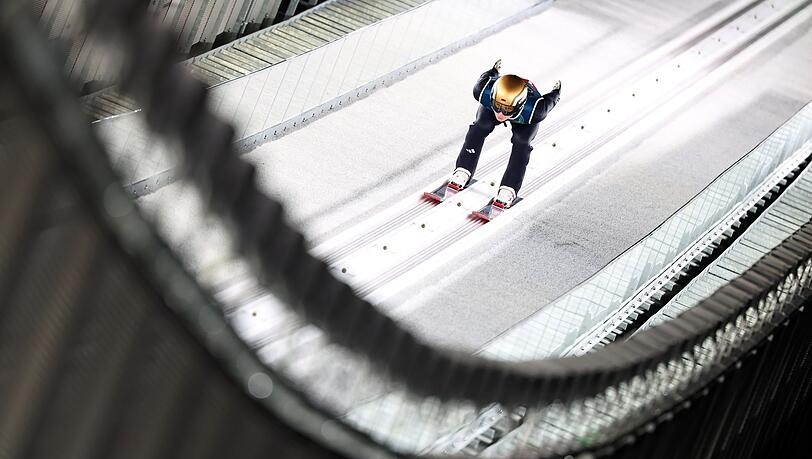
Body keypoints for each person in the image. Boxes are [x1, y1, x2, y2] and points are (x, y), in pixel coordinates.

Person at [448, 59, 561, 208]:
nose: (500, 114)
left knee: (522, 142)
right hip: (495, 107)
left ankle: (509, 188)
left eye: (507, 110)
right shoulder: (482, 91)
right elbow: (487, 76)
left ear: (519, 105)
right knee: (481, 126)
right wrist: (494, 70)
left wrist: (556, 92)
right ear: (492, 97)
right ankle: (463, 170)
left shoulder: (535, 110)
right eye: (498, 106)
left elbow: (552, 99)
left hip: (524, 120)